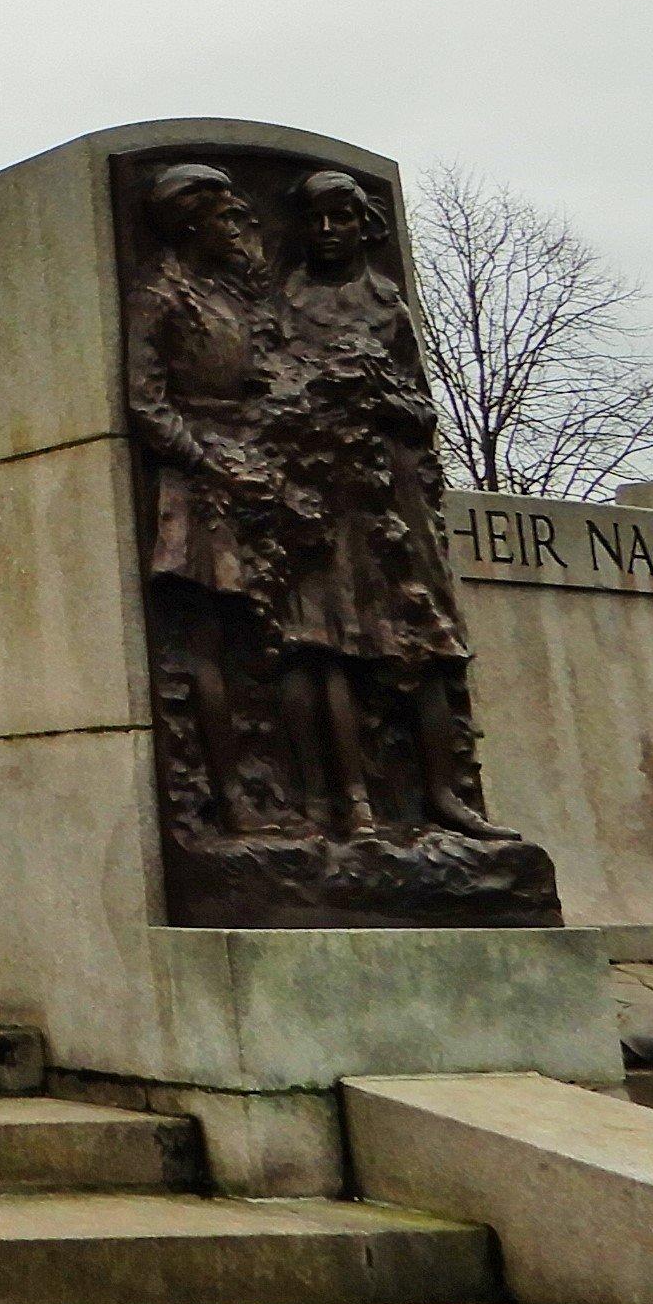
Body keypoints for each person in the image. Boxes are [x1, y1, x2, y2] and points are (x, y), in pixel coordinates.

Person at [266, 169, 506, 839]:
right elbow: (269, 398)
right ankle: (349, 805)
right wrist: (323, 396)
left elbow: (419, 408)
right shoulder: (285, 302)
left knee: (425, 639)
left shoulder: (387, 305)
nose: (327, 232)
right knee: (328, 642)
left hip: (393, 494)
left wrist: (375, 389)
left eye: (340, 218)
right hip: (322, 490)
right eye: (315, 220)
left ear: (361, 223)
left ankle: (444, 797)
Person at [124, 162, 290, 832]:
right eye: (226, 218)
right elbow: (147, 401)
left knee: (266, 639)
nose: (239, 229)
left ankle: (271, 788)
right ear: (191, 223)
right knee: (207, 643)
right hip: (198, 485)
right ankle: (228, 799)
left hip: (255, 470)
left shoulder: (232, 297)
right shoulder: (160, 297)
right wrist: (211, 464)